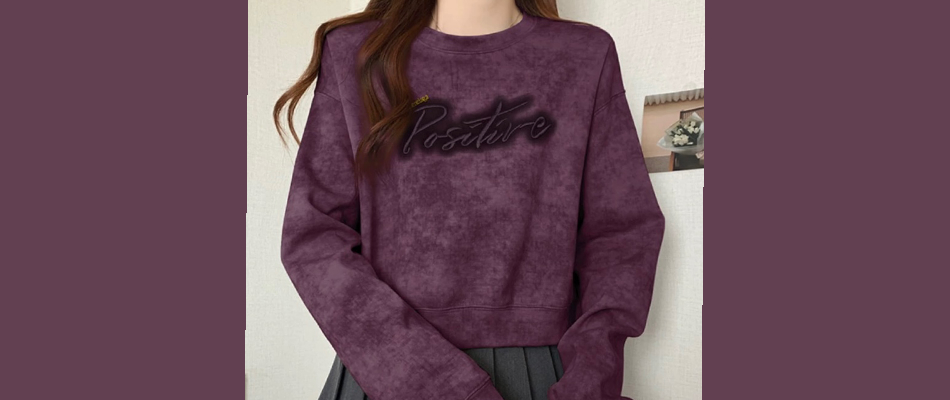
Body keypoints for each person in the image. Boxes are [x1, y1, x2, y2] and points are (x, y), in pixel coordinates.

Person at [274, 1, 666, 399]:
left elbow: (621, 237)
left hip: (540, 376)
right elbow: (313, 239)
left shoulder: (583, 55)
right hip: (391, 375)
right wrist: (427, 380)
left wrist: (588, 384)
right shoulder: (355, 52)